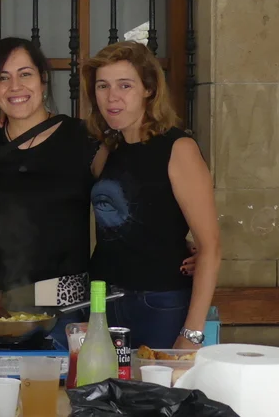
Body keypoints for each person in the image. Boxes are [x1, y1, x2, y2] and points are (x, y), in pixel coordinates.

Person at [84, 41, 220, 350]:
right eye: (103, 86)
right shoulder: (108, 149)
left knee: (157, 383)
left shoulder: (178, 148)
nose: (112, 96)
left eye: (125, 85)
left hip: (159, 303)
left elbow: (210, 247)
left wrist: (192, 334)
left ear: (149, 89)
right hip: (103, 301)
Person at [0, 38, 105, 326]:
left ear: (43, 79)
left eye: (25, 74)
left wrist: (181, 241)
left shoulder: (83, 139)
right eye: (3, 77)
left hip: (60, 309)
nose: (15, 86)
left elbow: (125, 199)